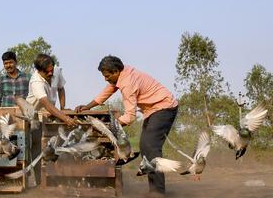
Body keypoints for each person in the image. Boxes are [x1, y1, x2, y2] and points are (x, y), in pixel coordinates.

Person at [75, 55, 178, 197]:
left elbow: (130, 117)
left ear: (116, 71)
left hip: (164, 107)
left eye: (107, 76)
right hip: (152, 110)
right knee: (145, 146)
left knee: (151, 147)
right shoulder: (123, 74)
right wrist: (87, 107)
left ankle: (158, 192)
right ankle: (155, 189)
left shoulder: (127, 83)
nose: (105, 79)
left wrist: (108, 128)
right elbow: (106, 92)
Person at [26, 54, 77, 186]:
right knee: (37, 148)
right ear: (38, 70)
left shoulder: (57, 71)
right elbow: (46, 104)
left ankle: (58, 177)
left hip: (52, 113)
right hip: (34, 115)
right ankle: (39, 181)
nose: (50, 73)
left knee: (57, 145)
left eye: (51, 70)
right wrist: (65, 118)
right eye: (46, 71)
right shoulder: (35, 82)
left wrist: (63, 108)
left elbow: (61, 89)